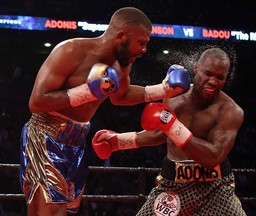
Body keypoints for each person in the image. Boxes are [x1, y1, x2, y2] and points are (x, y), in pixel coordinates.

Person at [19, 7, 191, 216]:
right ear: (121, 37)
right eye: (142, 42)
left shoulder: (121, 64)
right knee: (52, 210)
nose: (144, 49)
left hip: (77, 140)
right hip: (46, 135)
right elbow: (36, 102)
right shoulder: (70, 51)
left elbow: (120, 96)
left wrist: (163, 90)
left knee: (60, 210)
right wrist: (87, 91)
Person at [93, 47, 247, 215]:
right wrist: (119, 142)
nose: (213, 81)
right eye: (208, 73)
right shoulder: (174, 95)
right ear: (196, 68)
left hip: (215, 189)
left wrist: (173, 126)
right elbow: (163, 133)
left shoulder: (230, 111)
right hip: (172, 186)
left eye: (220, 77)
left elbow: (213, 156)